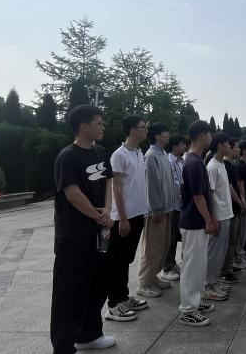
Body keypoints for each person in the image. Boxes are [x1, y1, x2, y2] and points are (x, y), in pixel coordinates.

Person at [50, 104, 116, 353]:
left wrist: (107, 209)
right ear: (83, 126)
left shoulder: (101, 152)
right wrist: (97, 216)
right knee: (69, 292)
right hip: (73, 235)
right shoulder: (68, 156)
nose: (102, 127)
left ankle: (89, 335)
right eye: (98, 123)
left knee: (97, 285)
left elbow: (108, 181)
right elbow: (72, 193)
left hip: (99, 233)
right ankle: (63, 346)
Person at [104, 116, 150, 322]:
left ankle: (123, 297)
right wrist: (122, 218)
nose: (146, 130)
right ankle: (114, 305)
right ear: (132, 130)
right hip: (123, 217)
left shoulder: (139, 153)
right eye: (142, 127)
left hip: (138, 214)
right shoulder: (119, 155)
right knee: (117, 261)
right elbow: (117, 189)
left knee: (126, 259)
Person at [178, 120, 216, 326]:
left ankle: (195, 300)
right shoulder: (194, 162)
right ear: (202, 135)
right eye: (209, 134)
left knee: (198, 264)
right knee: (192, 266)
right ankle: (188, 310)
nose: (211, 138)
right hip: (194, 221)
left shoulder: (194, 160)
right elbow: (198, 196)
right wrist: (208, 219)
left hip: (195, 220)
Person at [137, 123, 174, 298]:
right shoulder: (151, 156)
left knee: (163, 246)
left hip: (166, 209)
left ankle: (153, 277)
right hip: (156, 211)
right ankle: (144, 283)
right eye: (165, 132)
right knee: (152, 248)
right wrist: (155, 209)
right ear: (157, 135)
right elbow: (151, 185)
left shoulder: (163, 154)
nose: (168, 135)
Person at [204, 133, 235, 301]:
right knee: (213, 253)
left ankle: (214, 280)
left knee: (221, 252)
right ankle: (207, 285)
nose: (230, 147)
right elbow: (209, 194)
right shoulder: (212, 167)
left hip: (226, 214)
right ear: (219, 146)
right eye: (227, 144)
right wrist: (212, 218)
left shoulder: (221, 164)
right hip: (218, 216)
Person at [220, 138, 246, 284]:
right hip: (230, 208)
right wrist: (241, 201)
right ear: (230, 149)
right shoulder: (225, 166)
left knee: (233, 239)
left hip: (234, 208)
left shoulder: (231, 165)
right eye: (236, 147)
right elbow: (231, 188)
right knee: (229, 241)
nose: (239, 149)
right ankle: (224, 271)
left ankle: (229, 265)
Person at [159, 134, 187, 282]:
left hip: (179, 204)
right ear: (175, 146)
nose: (185, 147)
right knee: (169, 237)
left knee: (175, 236)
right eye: (182, 144)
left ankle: (172, 262)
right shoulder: (168, 161)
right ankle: (166, 268)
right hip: (171, 205)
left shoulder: (181, 161)